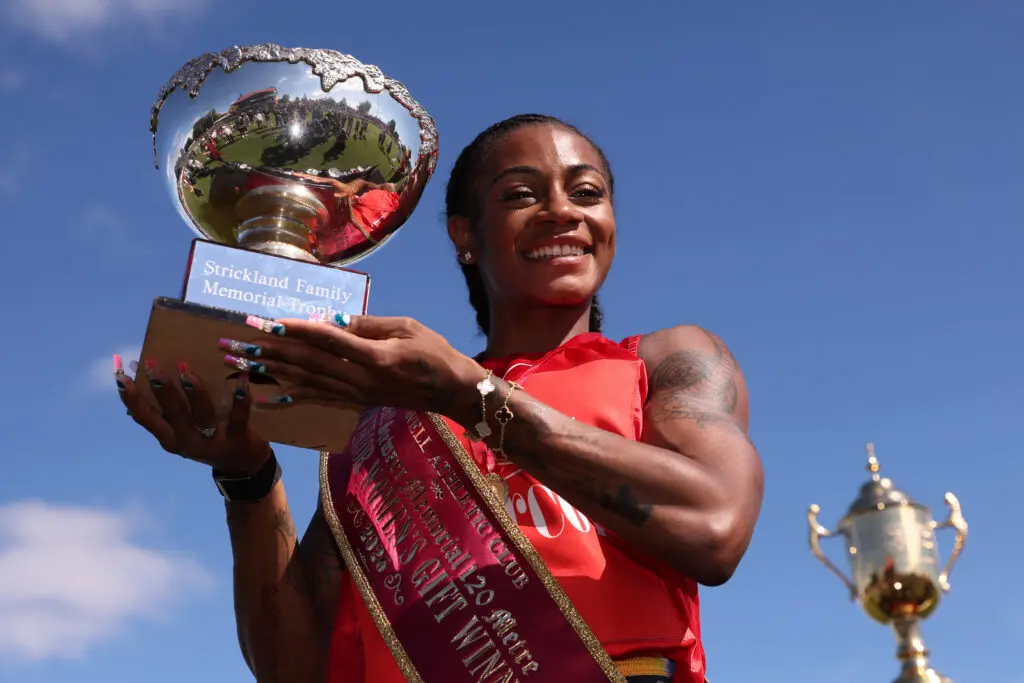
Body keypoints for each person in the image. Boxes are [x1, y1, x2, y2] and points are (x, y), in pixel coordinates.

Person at [116, 114, 764, 683]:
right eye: (521, 194)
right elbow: (297, 668)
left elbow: (716, 526)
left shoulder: (664, 359)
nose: (562, 211)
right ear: (464, 234)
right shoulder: (389, 419)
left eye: (587, 192)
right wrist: (248, 477)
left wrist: (467, 395)